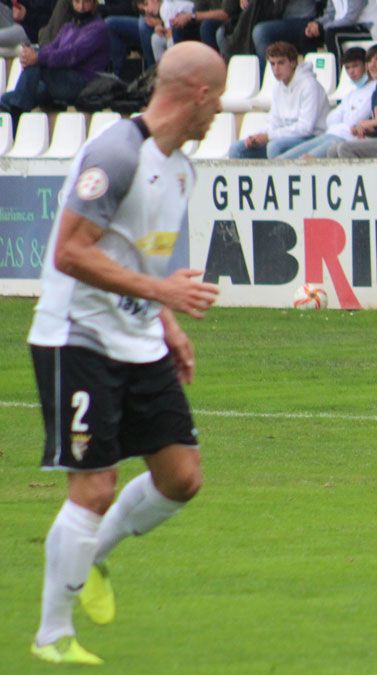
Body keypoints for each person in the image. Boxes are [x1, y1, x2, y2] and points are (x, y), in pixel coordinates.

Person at [25, 41, 225, 666]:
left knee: (181, 478)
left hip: (137, 338)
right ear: (197, 94)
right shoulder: (115, 154)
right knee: (95, 486)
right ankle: (52, 636)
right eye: (217, 100)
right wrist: (162, 291)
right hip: (76, 336)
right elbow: (70, 253)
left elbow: (136, 257)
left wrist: (166, 321)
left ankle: (95, 557)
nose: (219, 113)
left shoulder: (181, 168)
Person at [0, 0, 108, 119]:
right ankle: (12, 127)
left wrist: (37, 57)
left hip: (82, 83)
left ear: (94, 3)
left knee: (36, 63)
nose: (81, 7)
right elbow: (50, 48)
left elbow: (71, 55)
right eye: (77, 2)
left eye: (86, 2)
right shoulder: (69, 27)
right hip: (59, 80)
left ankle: (17, 114)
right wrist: (32, 55)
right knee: (6, 99)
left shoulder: (98, 28)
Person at [227, 40, 329, 158]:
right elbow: (274, 121)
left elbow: (305, 128)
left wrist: (269, 136)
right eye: (272, 64)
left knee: (275, 146)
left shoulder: (310, 85)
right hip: (283, 137)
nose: (276, 69)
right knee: (237, 149)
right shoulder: (278, 87)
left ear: (293, 63)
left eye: (281, 63)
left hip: (312, 138)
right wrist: (258, 136)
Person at [277, 46, 376, 159]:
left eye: (355, 66)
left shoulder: (374, 90)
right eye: (347, 68)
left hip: (346, 139)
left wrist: (343, 122)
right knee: (283, 160)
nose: (351, 72)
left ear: (366, 65)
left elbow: (354, 120)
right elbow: (330, 120)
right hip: (331, 134)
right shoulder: (351, 93)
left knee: (303, 161)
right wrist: (344, 123)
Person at [303, 0, 376, 65]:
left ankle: (338, 73)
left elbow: (350, 19)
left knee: (332, 34)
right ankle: (313, 73)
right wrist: (317, 24)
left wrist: (322, 27)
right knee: (308, 34)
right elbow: (330, 14)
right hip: (341, 27)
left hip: (364, 28)